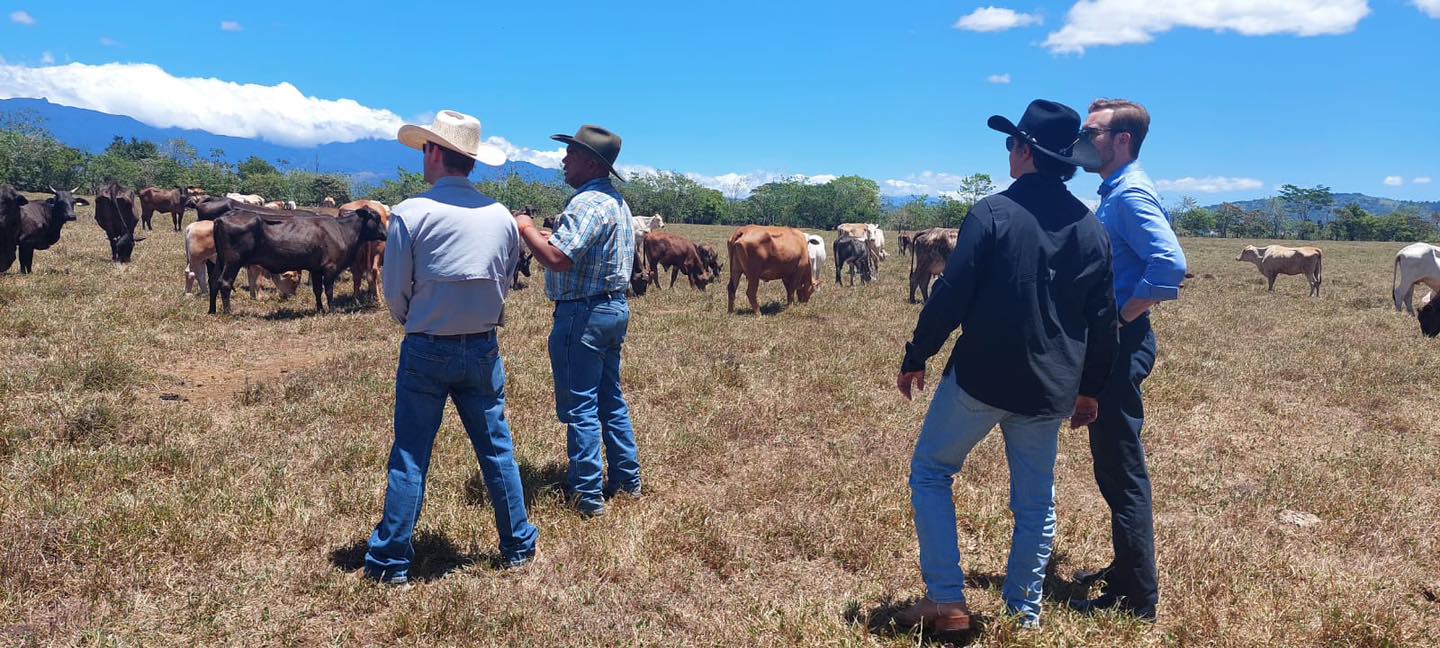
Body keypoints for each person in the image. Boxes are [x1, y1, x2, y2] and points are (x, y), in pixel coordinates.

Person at [893, 100, 1119, 631]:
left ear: (1025, 151)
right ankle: (1024, 613)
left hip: (982, 377)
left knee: (932, 471)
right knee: (1036, 503)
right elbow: (1104, 321)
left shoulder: (991, 213)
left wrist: (917, 354)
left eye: (1011, 143)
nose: (1009, 151)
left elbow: (952, 294)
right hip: (1050, 388)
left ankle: (947, 600)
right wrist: (1090, 390)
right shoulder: (1092, 229)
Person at [364, 110, 538, 584]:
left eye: (425, 149)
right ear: (472, 161)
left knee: (411, 454)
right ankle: (517, 544)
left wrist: (417, 319)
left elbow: (395, 290)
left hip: (426, 345)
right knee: (497, 450)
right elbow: (505, 279)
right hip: (482, 346)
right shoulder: (502, 217)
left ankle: (390, 561)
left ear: (435, 153)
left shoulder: (410, 213)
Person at [1067, 99, 1188, 621]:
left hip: (1121, 346)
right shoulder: (1117, 191)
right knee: (1113, 465)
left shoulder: (1130, 194)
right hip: (1118, 345)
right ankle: (1125, 570)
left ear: (1122, 140)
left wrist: (1121, 316)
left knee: (1122, 471)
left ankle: (1137, 598)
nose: (1082, 141)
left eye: (1091, 132)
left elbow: (1170, 265)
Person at [514, 125, 640, 519]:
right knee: (610, 399)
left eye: (572, 154)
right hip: (613, 309)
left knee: (582, 406)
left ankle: (587, 495)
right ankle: (627, 480)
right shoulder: (616, 203)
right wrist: (548, 235)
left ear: (591, 163)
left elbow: (558, 259)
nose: (564, 160)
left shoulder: (586, 203)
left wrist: (525, 228)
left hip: (582, 314)